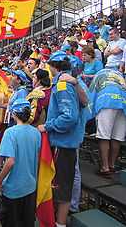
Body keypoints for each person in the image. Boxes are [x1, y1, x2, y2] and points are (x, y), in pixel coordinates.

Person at [38, 51, 85, 227]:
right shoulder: (69, 83)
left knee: (61, 187)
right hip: (66, 143)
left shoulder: (63, 86)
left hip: (63, 144)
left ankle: (60, 223)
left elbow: (69, 117)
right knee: (61, 185)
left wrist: (47, 126)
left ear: (54, 66)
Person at [0, 99, 41, 227]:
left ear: (14, 114)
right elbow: (36, 159)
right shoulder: (36, 132)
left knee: (10, 222)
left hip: (13, 189)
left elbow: (10, 161)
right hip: (30, 186)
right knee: (27, 222)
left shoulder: (10, 133)